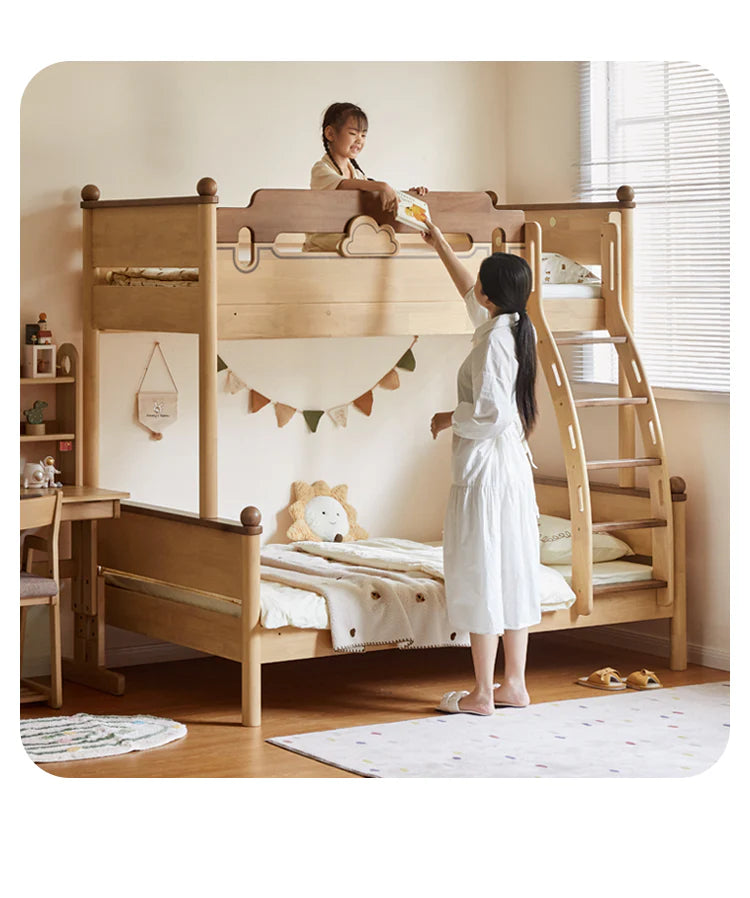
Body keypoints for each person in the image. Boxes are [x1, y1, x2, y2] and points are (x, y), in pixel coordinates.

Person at [422, 220, 541, 716]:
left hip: (487, 472)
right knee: (510, 570)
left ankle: (482, 694)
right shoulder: (512, 327)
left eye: (480, 285)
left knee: (481, 571)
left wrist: (448, 417)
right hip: (510, 471)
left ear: (489, 295)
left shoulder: (494, 342)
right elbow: (468, 292)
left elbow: (491, 415)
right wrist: (438, 241)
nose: (475, 290)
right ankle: (513, 684)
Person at [303, 102, 428, 252]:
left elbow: (378, 196)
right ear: (330, 134)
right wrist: (382, 186)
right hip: (322, 247)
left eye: (363, 135)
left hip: (351, 245)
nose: (359, 140)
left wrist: (408, 197)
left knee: (383, 243)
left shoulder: (358, 175)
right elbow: (343, 185)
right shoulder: (321, 169)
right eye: (353, 133)